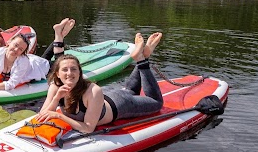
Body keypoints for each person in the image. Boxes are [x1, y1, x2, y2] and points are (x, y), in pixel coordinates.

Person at [35, 32, 164, 133]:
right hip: (108, 97)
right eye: (64, 70)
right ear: (58, 74)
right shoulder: (55, 86)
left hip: (122, 105)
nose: (69, 73)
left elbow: (88, 128)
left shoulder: (92, 90)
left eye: (73, 69)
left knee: (156, 103)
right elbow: (43, 115)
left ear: (79, 72)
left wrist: (60, 116)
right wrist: (56, 98)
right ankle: (143, 57)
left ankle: (141, 60)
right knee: (131, 91)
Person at [0, 18, 75, 102]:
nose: (16, 50)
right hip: (34, 62)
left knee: (61, 63)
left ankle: (59, 34)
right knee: (45, 58)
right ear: (9, 42)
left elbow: (11, 84)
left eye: (20, 49)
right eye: (15, 45)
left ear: (22, 52)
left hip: (42, 69)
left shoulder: (22, 61)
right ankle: (60, 34)